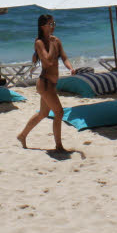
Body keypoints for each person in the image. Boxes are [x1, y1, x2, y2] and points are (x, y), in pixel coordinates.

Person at [17, 14, 73, 152]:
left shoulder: (57, 40)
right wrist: (52, 44)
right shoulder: (39, 43)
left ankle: (22, 135)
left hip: (52, 84)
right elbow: (47, 62)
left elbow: (64, 57)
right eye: (50, 24)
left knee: (43, 113)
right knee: (59, 113)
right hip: (45, 83)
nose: (53, 26)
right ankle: (59, 145)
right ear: (43, 26)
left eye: (54, 23)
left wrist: (70, 68)